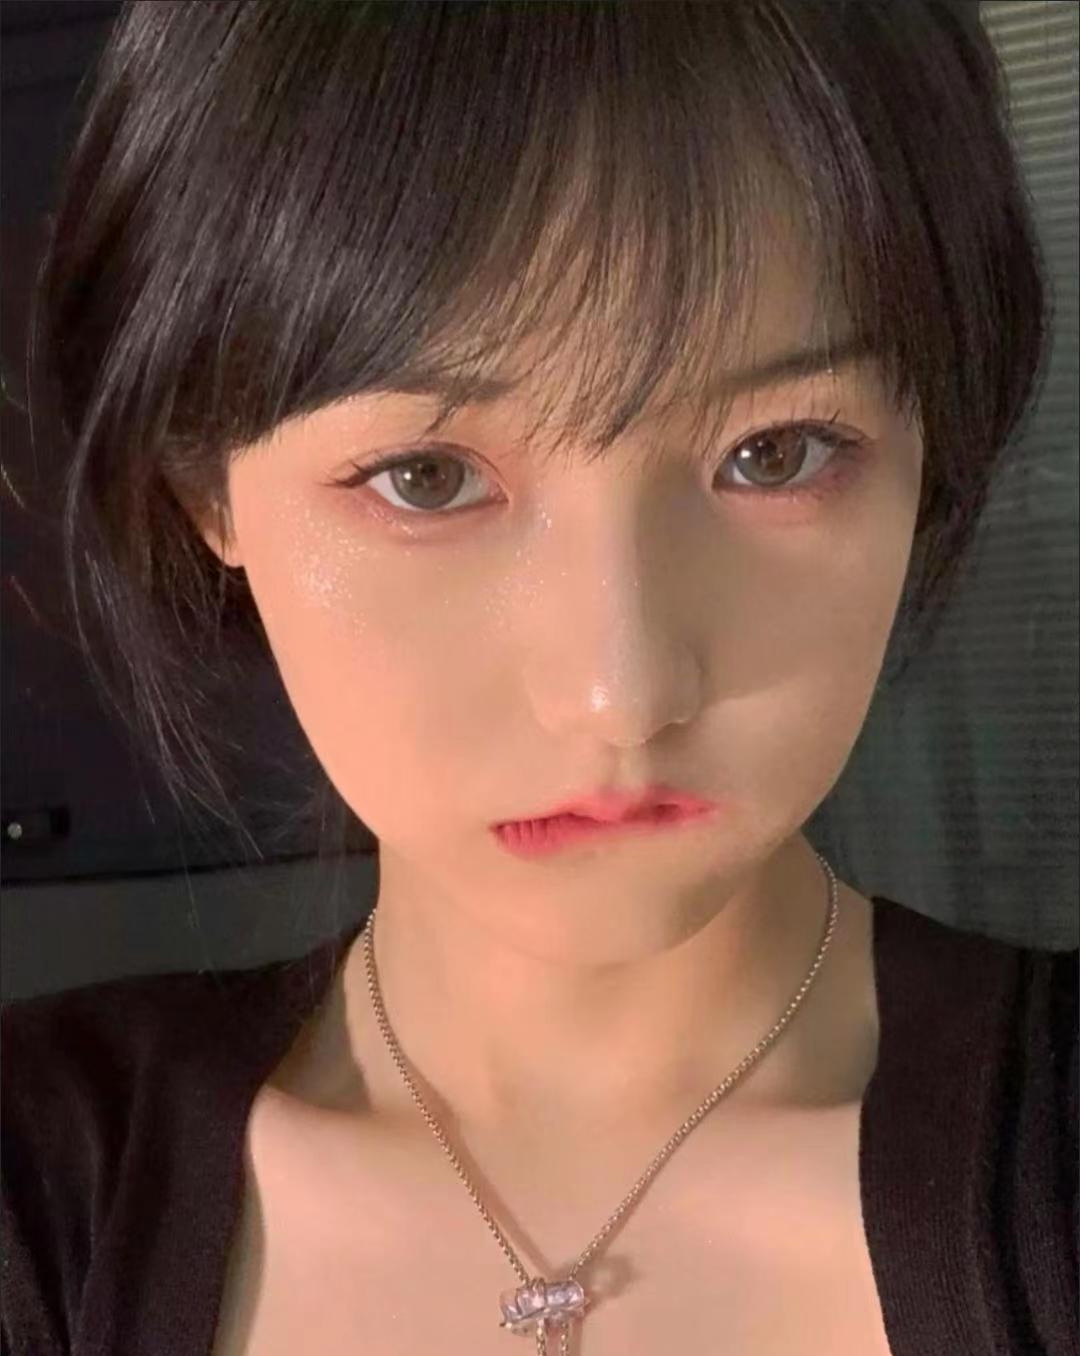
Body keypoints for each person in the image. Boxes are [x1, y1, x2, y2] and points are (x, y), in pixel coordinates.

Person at [2, 2, 1076, 1354]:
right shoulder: (36, 1197)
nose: (622, 694)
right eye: (428, 478)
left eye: (777, 453)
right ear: (205, 487)